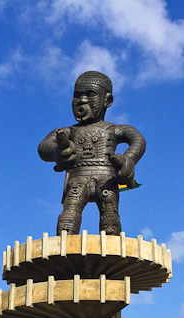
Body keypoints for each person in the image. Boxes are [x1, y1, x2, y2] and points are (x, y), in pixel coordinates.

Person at [38, 71, 146, 236]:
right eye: (77, 96)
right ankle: (65, 247)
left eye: (90, 94)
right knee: (69, 216)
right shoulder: (68, 131)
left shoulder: (115, 129)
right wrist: (56, 152)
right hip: (77, 179)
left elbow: (137, 140)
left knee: (110, 218)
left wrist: (128, 160)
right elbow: (43, 146)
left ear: (107, 100)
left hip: (107, 179)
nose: (82, 100)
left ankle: (110, 249)